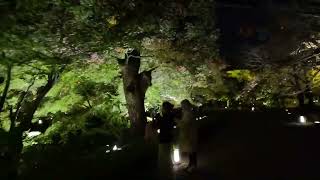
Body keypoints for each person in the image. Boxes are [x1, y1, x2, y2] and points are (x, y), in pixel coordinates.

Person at [156, 101, 175, 180]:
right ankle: (169, 174)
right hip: (169, 139)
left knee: (163, 158)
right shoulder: (170, 116)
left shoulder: (164, 118)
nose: (161, 109)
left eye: (162, 108)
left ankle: (166, 175)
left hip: (163, 139)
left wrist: (157, 119)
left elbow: (157, 126)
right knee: (168, 157)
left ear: (164, 108)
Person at [178, 99, 198, 172]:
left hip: (189, 134)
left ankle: (193, 166)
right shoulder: (187, 113)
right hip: (189, 134)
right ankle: (191, 165)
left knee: (192, 150)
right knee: (190, 151)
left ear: (186, 105)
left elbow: (185, 124)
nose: (182, 107)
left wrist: (177, 121)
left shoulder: (188, 113)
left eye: (182, 105)